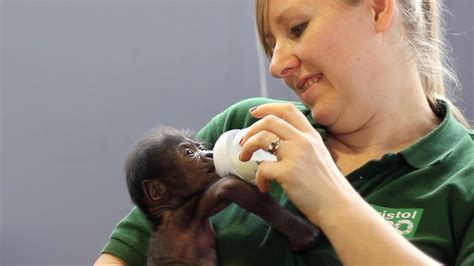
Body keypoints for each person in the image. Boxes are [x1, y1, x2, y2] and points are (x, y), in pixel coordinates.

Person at [95, 0, 473, 265]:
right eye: (271, 44)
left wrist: (329, 198)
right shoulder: (245, 127)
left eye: (296, 28)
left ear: (377, 6)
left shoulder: (463, 177)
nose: (276, 65)